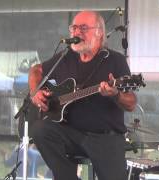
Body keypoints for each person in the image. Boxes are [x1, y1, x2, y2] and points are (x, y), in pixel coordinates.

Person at [28, 11, 137, 180]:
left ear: (99, 32)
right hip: (70, 134)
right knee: (39, 129)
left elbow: (131, 103)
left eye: (84, 28)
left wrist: (115, 94)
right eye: (74, 27)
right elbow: (36, 70)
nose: (77, 32)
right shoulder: (66, 57)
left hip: (104, 138)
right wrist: (35, 91)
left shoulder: (115, 60)